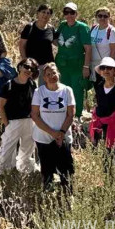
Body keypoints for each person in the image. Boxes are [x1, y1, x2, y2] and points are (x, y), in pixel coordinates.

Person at [31, 63, 76, 192]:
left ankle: (67, 196)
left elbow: (71, 113)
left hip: (63, 137)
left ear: (59, 74)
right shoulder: (39, 92)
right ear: (44, 78)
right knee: (47, 169)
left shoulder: (67, 90)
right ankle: (48, 195)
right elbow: (35, 115)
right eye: (48, 75)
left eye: (54, 73)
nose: (52, 76)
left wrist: (61, 132)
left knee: (66, 169)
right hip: (43, 137)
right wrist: (52, 133)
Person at [0, 58, 40, 174]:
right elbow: (1, 106)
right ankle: (2, 171)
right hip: (13, 121)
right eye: (26, 66)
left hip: (29, 121)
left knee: (28, 147)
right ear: (20, 67)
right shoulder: (9, 85)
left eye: (32, 68)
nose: (28, 70)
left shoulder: (32, 84)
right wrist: (6, 124)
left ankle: (25, 170)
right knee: (8, 147)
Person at [55, 2, 92, 117]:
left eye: (72, 12)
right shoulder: (62, 25)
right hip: (62, 64)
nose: (69, 15)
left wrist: (86, 67)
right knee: (63, 88)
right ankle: (64, 113)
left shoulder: (82, 27)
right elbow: (56, 40)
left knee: (76, 90)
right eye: (66, 12)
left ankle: (77, 115)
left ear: (77, 13)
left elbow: (88, 48)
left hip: (77, 65)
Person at [89, 57, 115, 149]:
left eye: (109, 68)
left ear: (114, 71)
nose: (105, 70)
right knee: (100, 152)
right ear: (100, 71)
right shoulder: (100, 86)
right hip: (100, 126)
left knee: (113, 154)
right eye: (103, 68)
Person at [19, 4, 56, 81]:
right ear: (38, 13)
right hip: (32, 66)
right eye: (43, 12)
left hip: (47, 66)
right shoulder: (29, 27)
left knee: (45, 90)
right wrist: (25, 61)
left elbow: (57, 43)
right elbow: (22, 45)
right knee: (32, 89)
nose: (45, 15)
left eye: (48, 13)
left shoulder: (51, 29)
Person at [89, 7, 115, 79]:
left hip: (104, 67)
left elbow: (114, 51)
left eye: (105, 16)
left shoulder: (111, 31)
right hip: (93, 66)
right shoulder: (94, 28)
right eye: (100, 16)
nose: (102, 18)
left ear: (109, 17)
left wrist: (109, 68)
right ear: (96, 17)